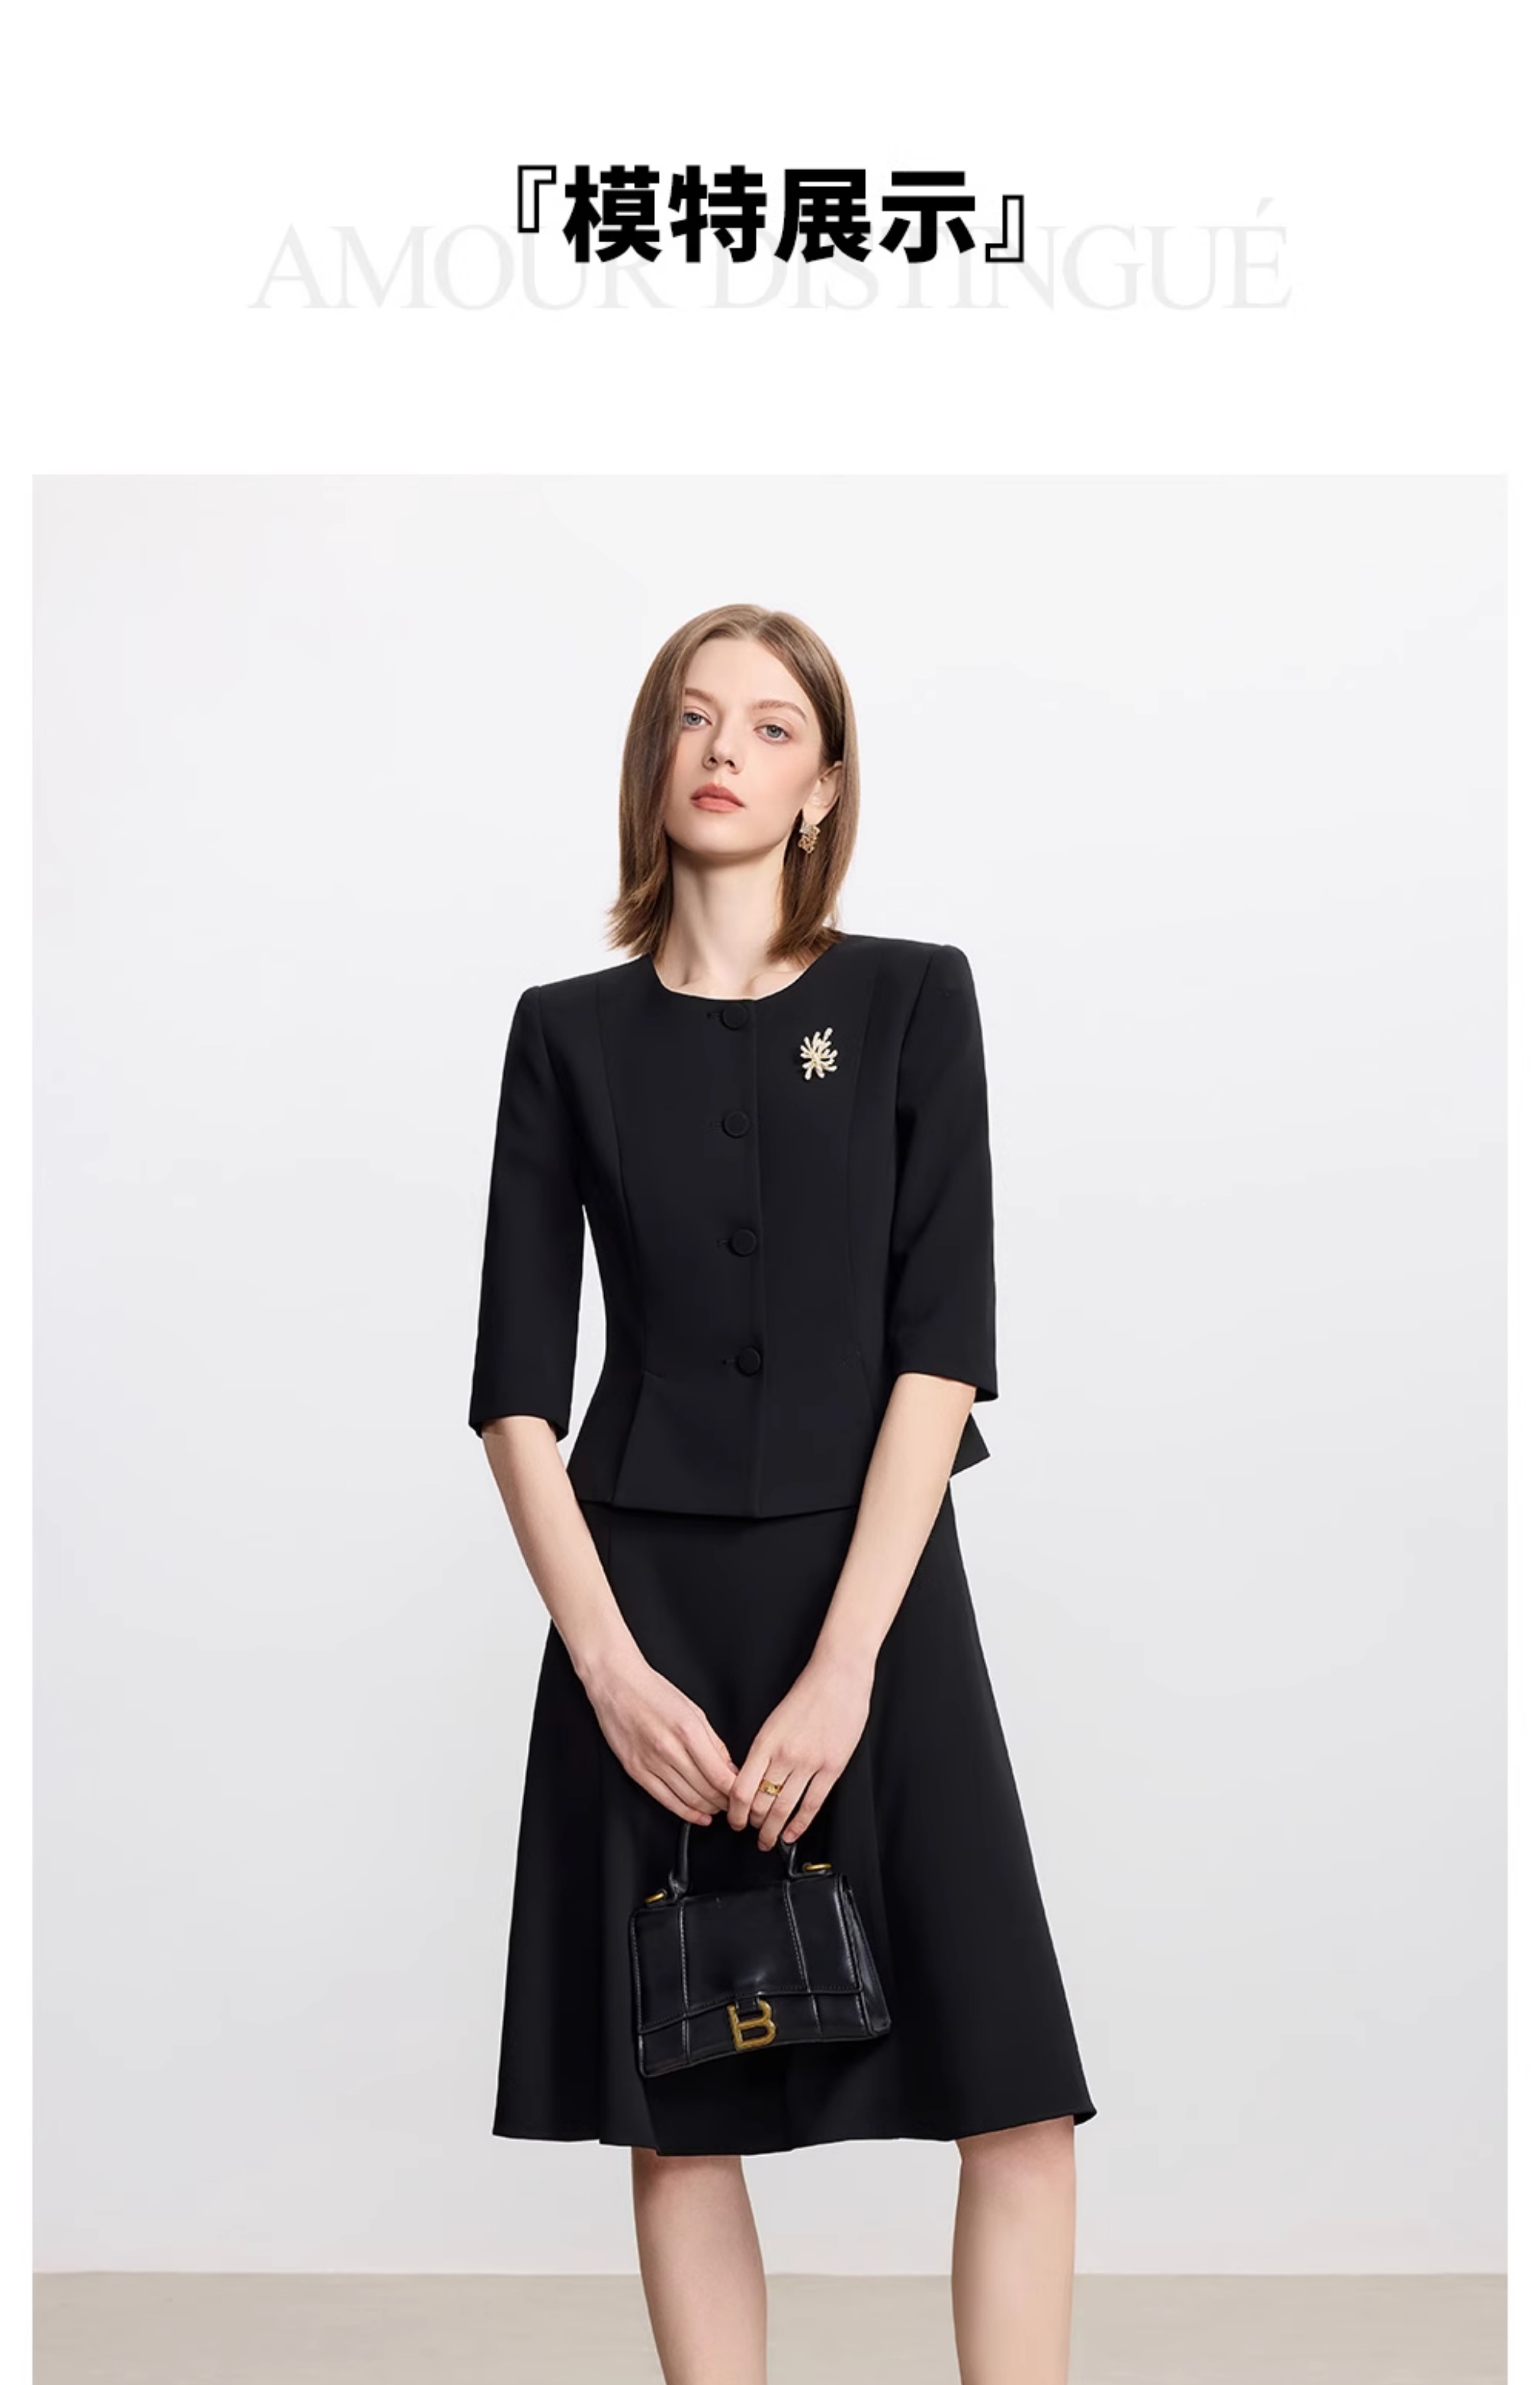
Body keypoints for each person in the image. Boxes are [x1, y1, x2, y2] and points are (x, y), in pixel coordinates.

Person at [468, 601, 1096, 2384]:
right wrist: (610, 1674)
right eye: (693, 719)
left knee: (1014, 2092)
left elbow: (940, 1355)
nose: (724, 752)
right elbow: (515, 1395)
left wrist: (846, 1668)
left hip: (878, 1596)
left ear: (823, 786)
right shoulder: (565, 1034)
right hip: (647, 1608)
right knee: (683, 2112)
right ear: (652, 762)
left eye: (769, 727)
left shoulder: (912, 1000)